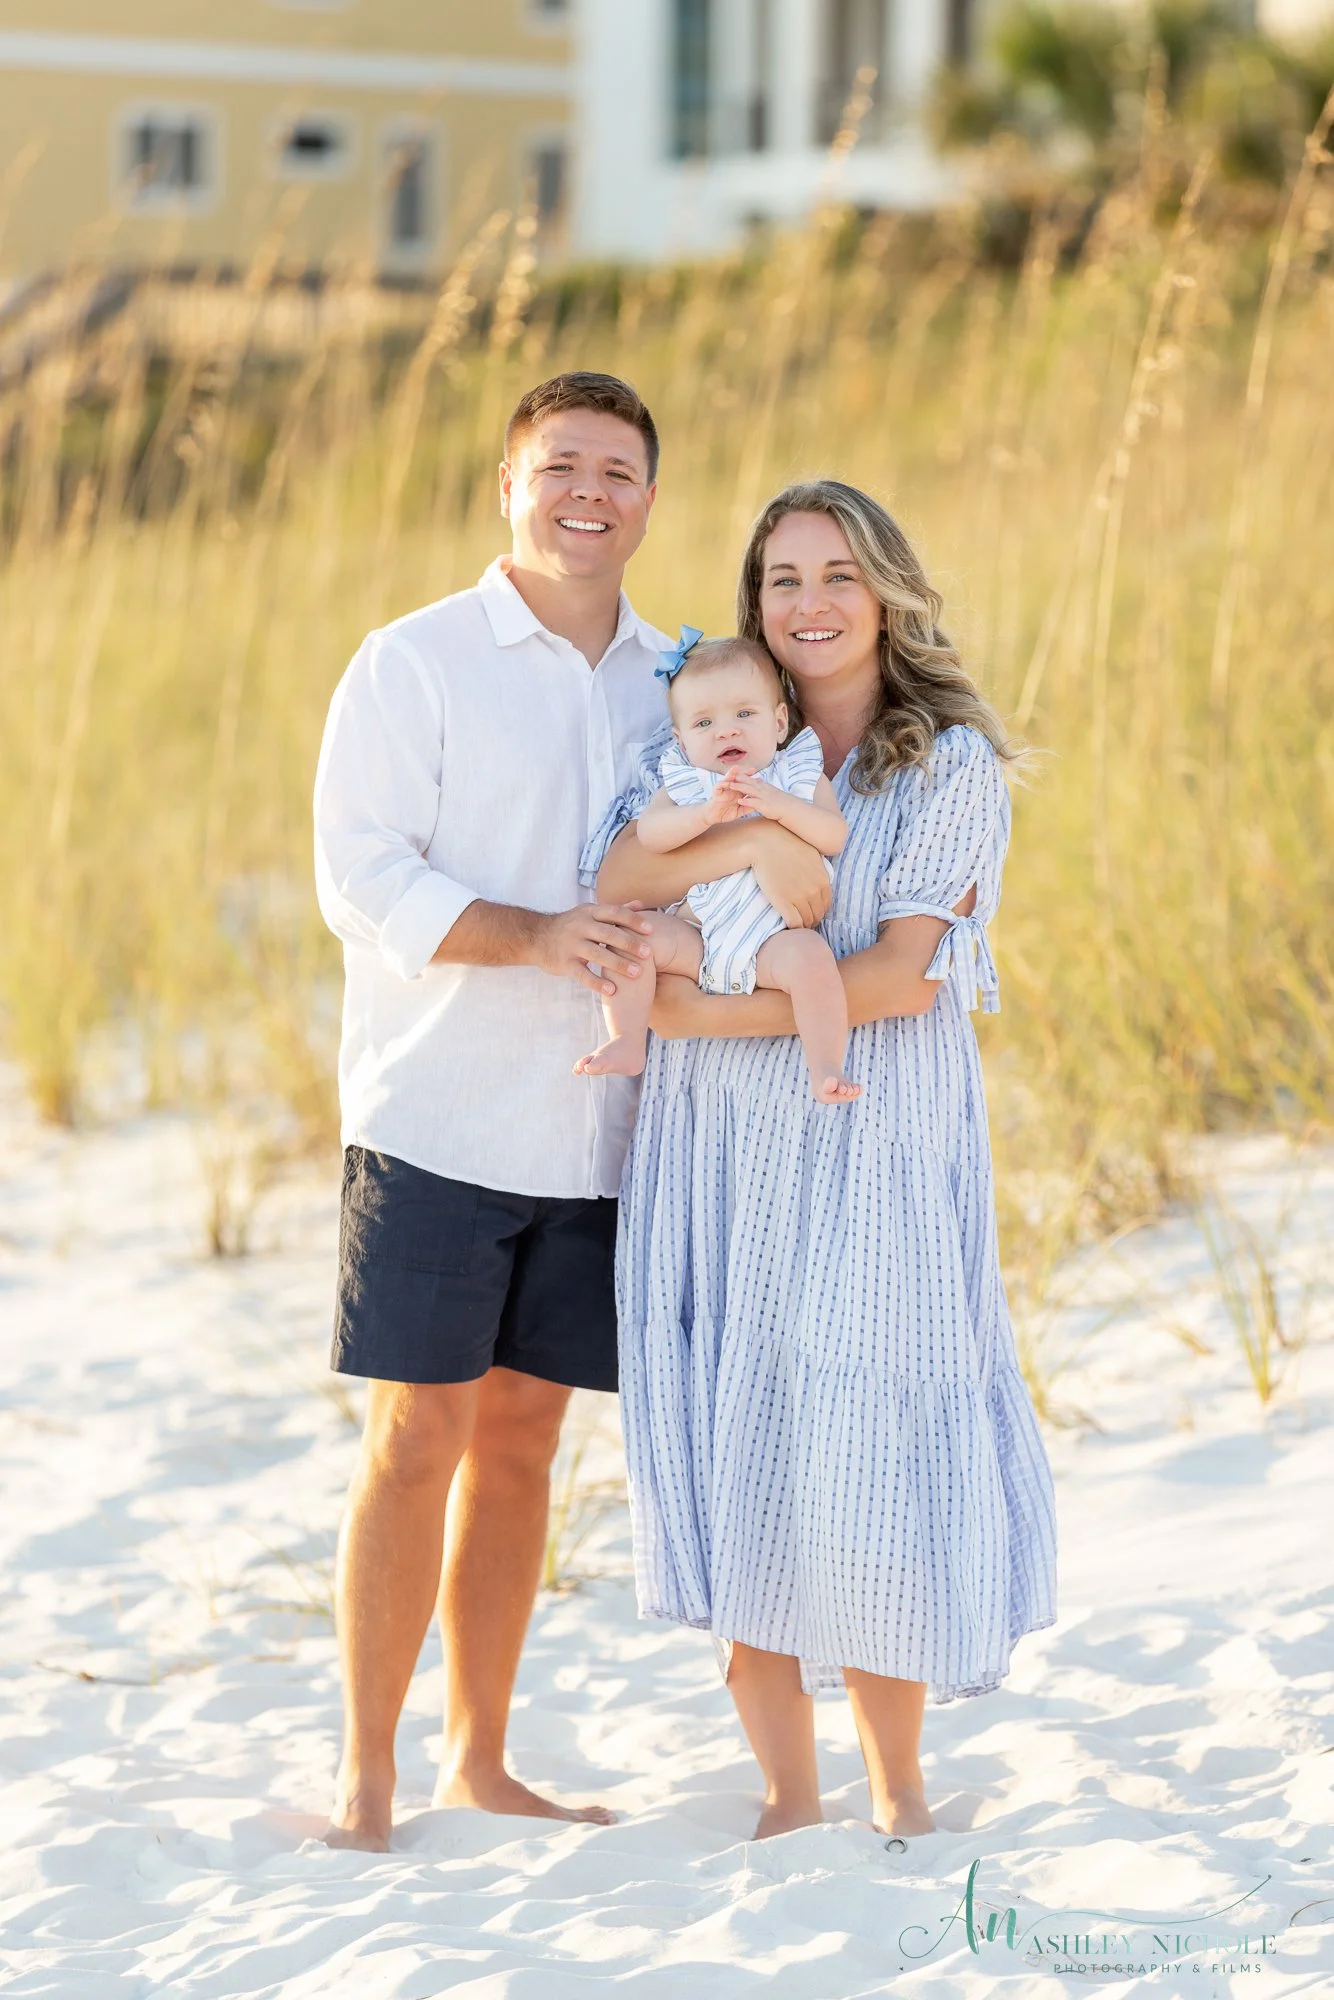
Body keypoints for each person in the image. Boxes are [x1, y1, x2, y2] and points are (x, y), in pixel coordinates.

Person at [311, 372, 834, 1850]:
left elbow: (741, 832)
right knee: (419, 1436)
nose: (587, 491)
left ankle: (481, 1761)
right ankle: (368, 1776)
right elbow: (358, 873)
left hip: (608, 1133)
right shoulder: (411, 663)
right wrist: (537, 935)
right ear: (508, 486)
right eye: (559, 466)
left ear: (649, 501)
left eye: (616, 469)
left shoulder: (683, 677)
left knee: (528, 1438)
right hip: (440, 1114)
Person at [593, 479, 1058, 1841]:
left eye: (836, 576)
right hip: (720, 1144)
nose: (807, 604)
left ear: (885, 593)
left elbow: (906, 982)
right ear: (752, 608)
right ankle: (786, 1797)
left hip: (876, 1130)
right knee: (739, 1426)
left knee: (865, 1433)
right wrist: (739, 837)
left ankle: (899, 1789)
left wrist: (690, 1013)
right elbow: (622, 873)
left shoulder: (947, 765)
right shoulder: (711, 737)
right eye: (781, 579)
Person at [574, 632, 859, 1104]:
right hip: (696, 939)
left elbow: (834, 835)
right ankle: (626, 1038)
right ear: (682, 740)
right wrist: (705, 815)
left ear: (779, 721)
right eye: (705, 722)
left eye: (744, 714)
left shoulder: (798, 776)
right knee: (632, 937)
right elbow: (651, 835)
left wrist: (780, 806)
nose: (726, 731)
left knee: (813, 960)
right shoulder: (687, 783)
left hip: (771, 944)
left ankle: (825, 1064)